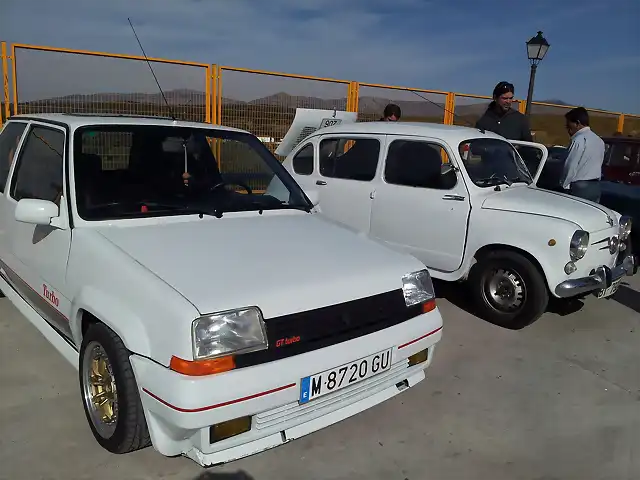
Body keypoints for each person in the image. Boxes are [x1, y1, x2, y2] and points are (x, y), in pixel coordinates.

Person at [560, 107, 605, 203]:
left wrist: (563, 186)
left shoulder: (578, 140)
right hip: (595, 187)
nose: (568, 130)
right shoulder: (599, 140)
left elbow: (570, 166)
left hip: (579, 189)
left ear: (577, 123)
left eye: (568, 126)